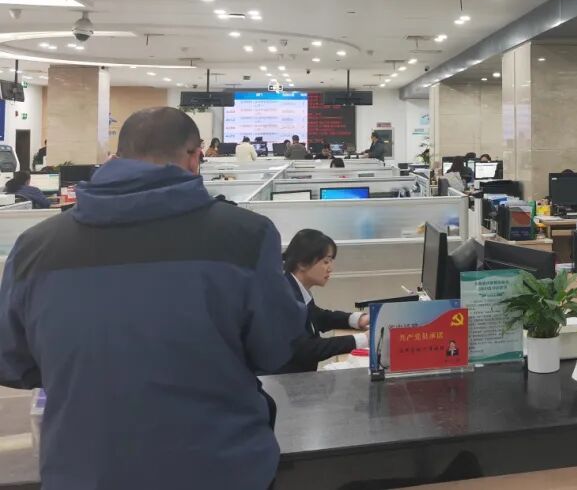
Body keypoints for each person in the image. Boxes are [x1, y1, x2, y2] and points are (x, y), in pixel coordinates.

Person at [0, 107, 304, 490]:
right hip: (219, 468)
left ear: (117, 156)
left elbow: (11, 361)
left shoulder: (34, 247)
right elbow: (277, 349)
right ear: (194, 157)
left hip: (84, 472)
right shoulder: (247, 236)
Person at [278, 229, 369, 373]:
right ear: (302, 263)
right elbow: (307, 349)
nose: (330, 268)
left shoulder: (293, 287)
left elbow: (318, 316)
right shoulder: (284, 297)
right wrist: (362, 339)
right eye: (326, 261)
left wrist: (359, 319)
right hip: (286, 380)